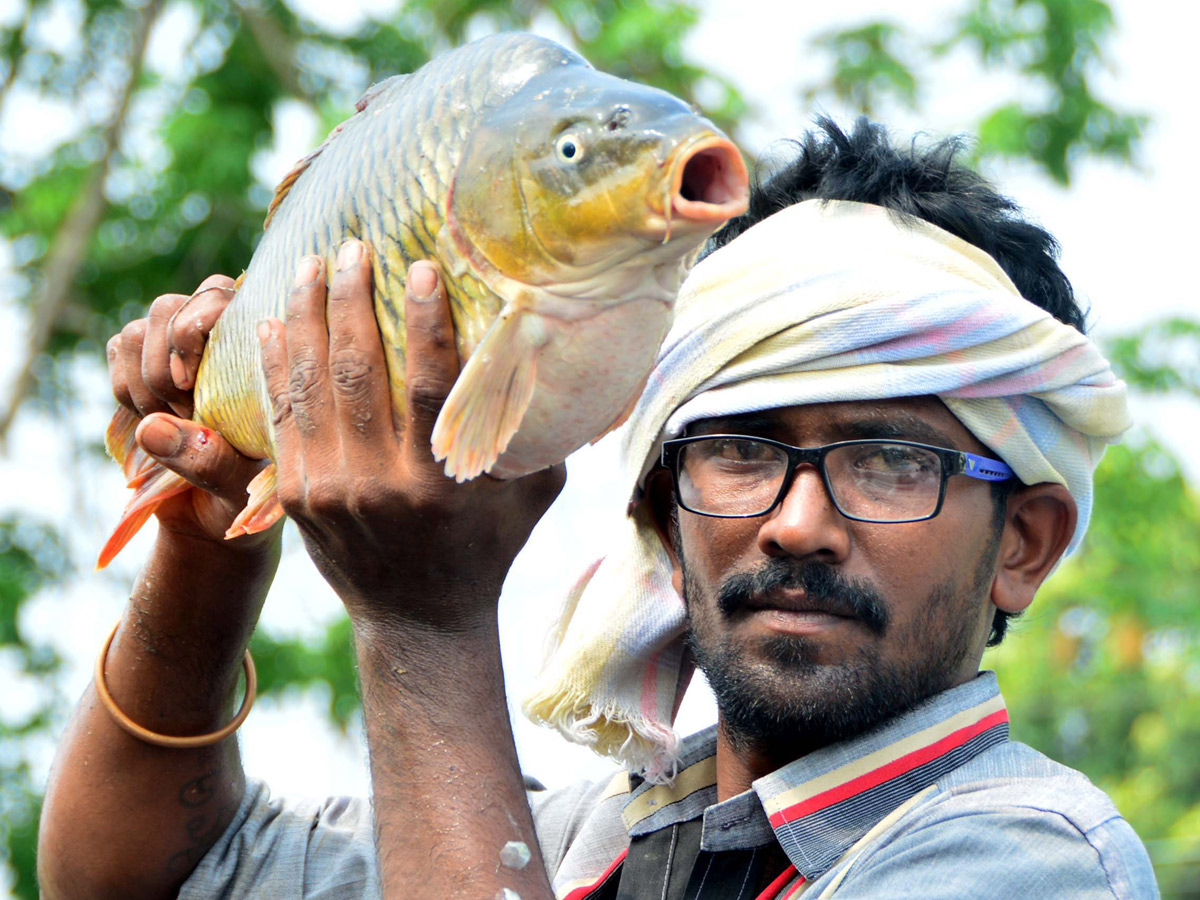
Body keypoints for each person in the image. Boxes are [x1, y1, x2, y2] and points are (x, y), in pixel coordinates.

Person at [38, 118, 1158, 900]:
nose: (799, 523)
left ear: (1024, 544)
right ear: (662, 515)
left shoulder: (1028, 859)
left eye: (890, 465)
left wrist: (422, 629)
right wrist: (208, 538)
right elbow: (129, 875)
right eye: (738, 449)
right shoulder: (593, 844)